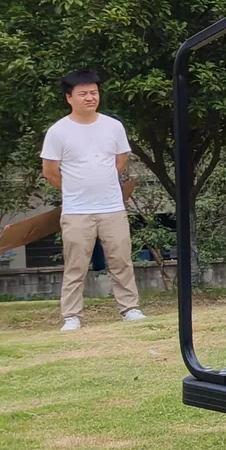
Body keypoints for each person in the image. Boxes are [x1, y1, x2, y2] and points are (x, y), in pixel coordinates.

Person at [40, 70, 145, 332]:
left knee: (121, 260)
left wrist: (102, 182)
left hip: (112, 207)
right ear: (69, 97)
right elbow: (50, 172)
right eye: (83, 93)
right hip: (77, 211)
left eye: (94, 93)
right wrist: (75, 188)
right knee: (75, 265)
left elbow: (120, 161)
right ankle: (72, 315)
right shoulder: (58, 131)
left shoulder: (113, 126)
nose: (90, 98)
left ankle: (130, 308)